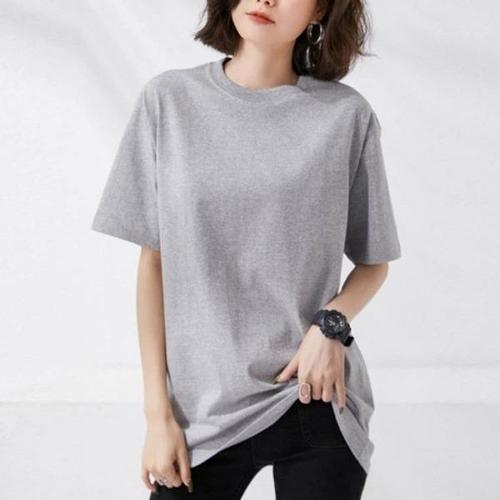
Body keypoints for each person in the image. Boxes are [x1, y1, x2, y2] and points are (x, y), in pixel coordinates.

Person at [91, 0, 402, 498]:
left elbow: (374, 263)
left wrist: (330, 326)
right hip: (202, 417)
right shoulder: (168, 101)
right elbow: (154, 265)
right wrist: (158, 417)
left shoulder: (346, 116)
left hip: (313, 396)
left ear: (320, 11)